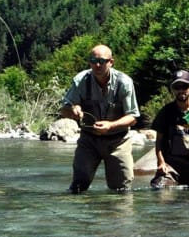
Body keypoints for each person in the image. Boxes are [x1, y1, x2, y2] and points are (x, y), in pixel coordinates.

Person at [59, 44, 140, 193]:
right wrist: (73, 110)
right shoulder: (81, 80)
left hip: (118, 141)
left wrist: (111, 125)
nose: (97, 65)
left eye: (102, 61)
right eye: (93, 61)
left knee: (121, 189)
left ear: (111, 62)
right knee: (78, 186)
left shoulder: (124, 82)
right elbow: (64, 109)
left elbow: (133, 116)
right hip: (89, 141)